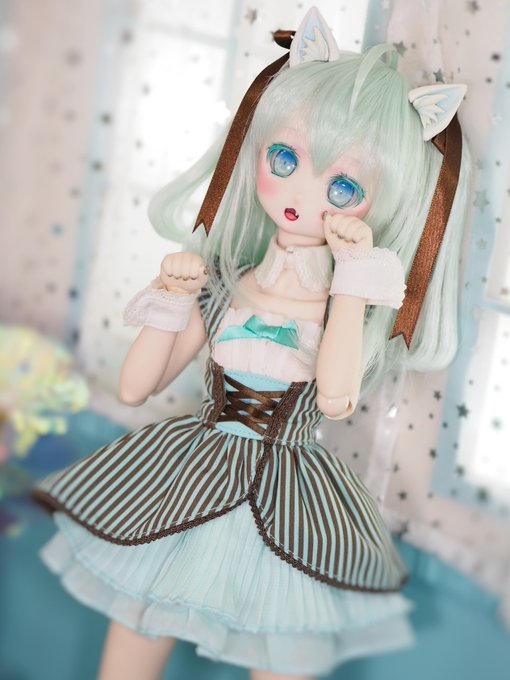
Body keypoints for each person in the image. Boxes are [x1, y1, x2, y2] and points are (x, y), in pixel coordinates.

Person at [33, 8, 469, 680]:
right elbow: (134, 387)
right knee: (133, 639)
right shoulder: (223, 285)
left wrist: (353, 283)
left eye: (342, 187)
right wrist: (171, 298)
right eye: (285, 159)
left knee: (284, 646)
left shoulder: (344, 304)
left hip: (287, 495)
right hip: (187, 479)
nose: (300, 195)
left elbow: (337, 397)